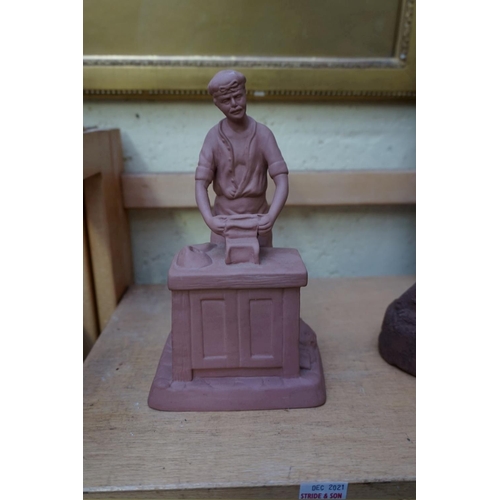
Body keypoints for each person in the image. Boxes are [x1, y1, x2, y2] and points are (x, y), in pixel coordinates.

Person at [195, 70, 289, 247]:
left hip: (258, 222)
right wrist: (210, 219)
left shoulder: (263, 135)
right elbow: (200, 183)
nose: (234, 104)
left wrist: (271, 216)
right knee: (220, 262)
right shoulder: (213, 137)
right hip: (223, 224)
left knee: (263, 263)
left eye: (238, 96)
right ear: (217, 104)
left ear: (245, 93)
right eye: (226, 100)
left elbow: (282, 180)